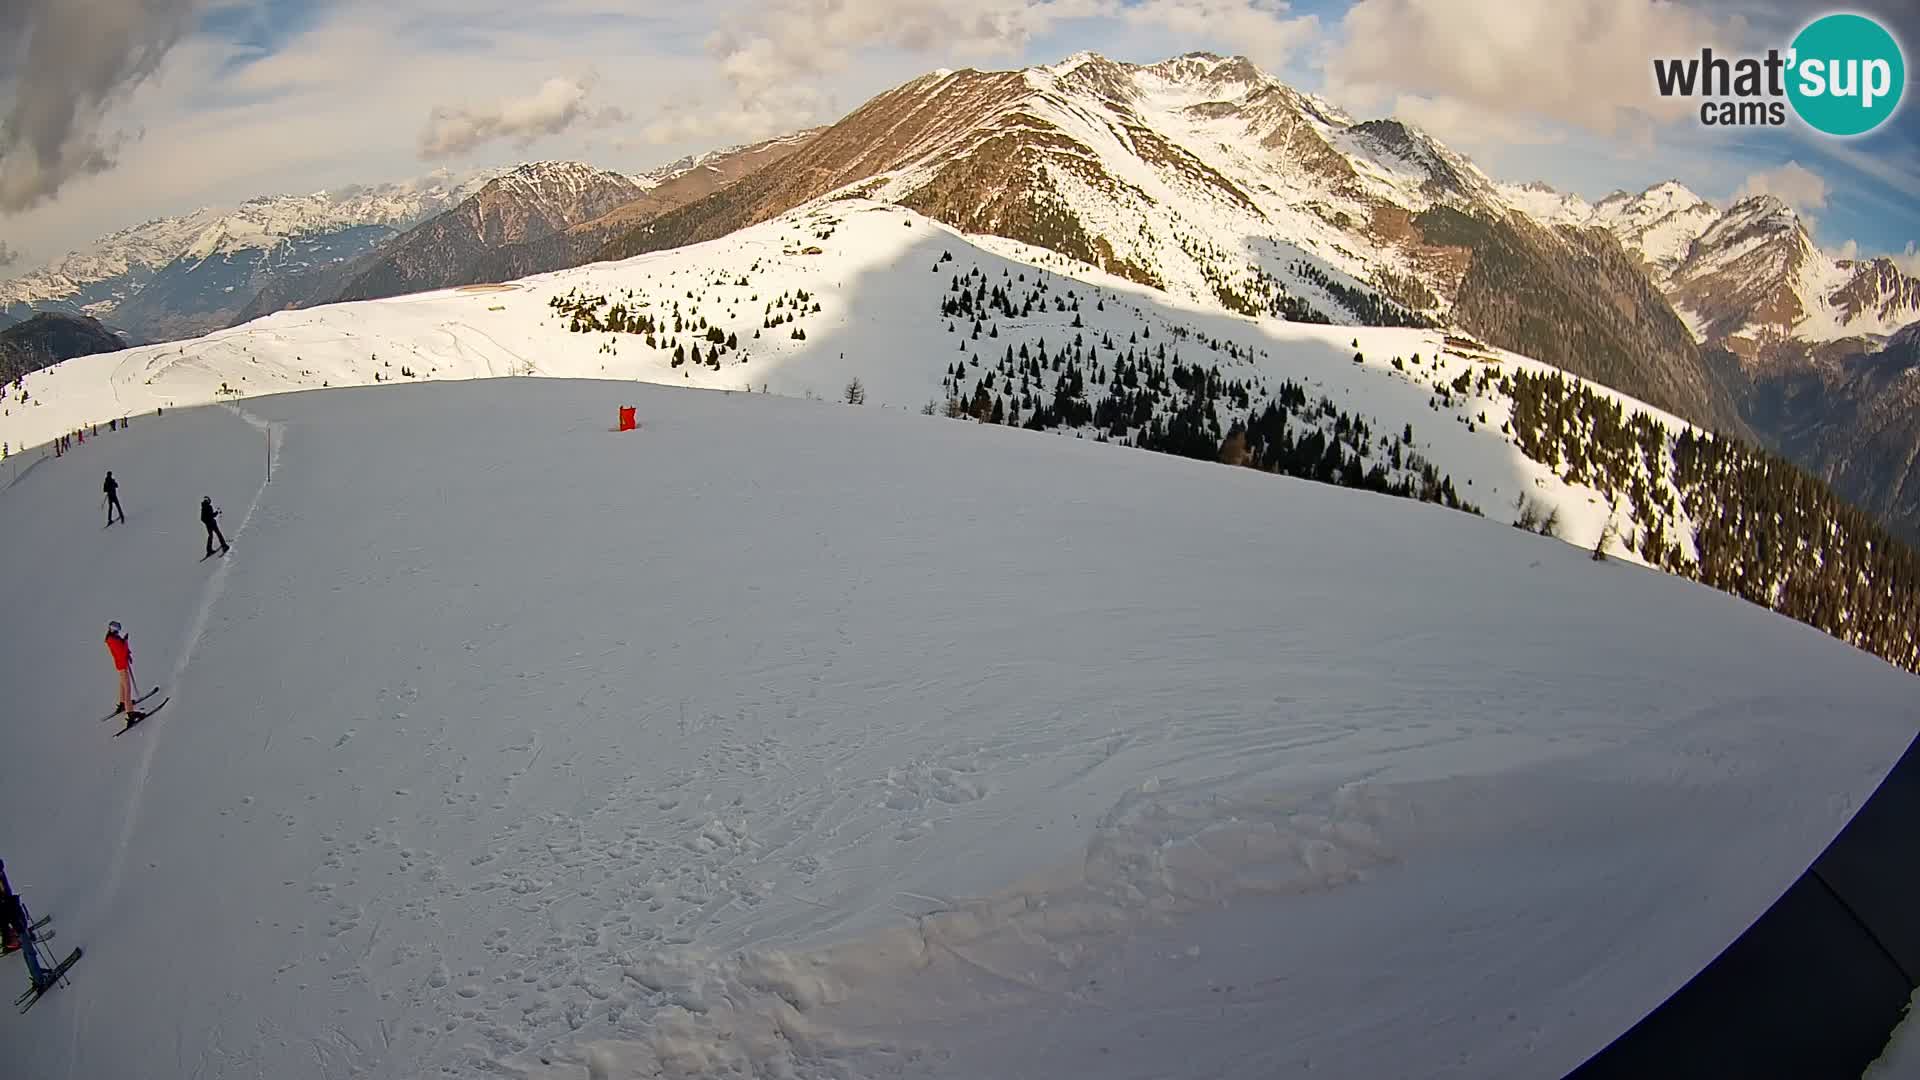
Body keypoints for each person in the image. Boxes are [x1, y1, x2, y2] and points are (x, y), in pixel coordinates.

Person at [0, 860, 46, 987]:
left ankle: (36, 973)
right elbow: (5, 905)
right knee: (29, 950)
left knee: (28, 950)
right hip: (14, 919)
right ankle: (39, 979)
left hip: (13, 916)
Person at [105, 621, 140, 720]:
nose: (118, 632)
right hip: (122, 665)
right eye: (117, 630)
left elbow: (122, 649)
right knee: (127, 687)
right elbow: (121, 652)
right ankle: (130, 712)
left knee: (122, 684)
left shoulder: (114, 638)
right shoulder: (113, 640)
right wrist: (125, 642)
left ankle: (122, 703)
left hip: (120, 664)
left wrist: (125, 646)